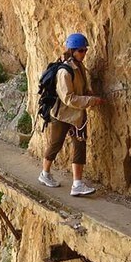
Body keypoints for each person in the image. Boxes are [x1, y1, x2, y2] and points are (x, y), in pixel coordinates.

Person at [38, 33, 106, 196]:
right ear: (73, 51)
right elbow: (68, 98)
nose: (84, 53)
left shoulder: (78, 65)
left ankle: (77, 184)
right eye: (82, 51)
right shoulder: (65, 71)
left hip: (76, 116)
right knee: (56, 144)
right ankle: (45, 174)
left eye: (85, 50)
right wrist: (90, 100)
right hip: (62, 115)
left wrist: (89, 94)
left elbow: (80, 88)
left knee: (80, 146)